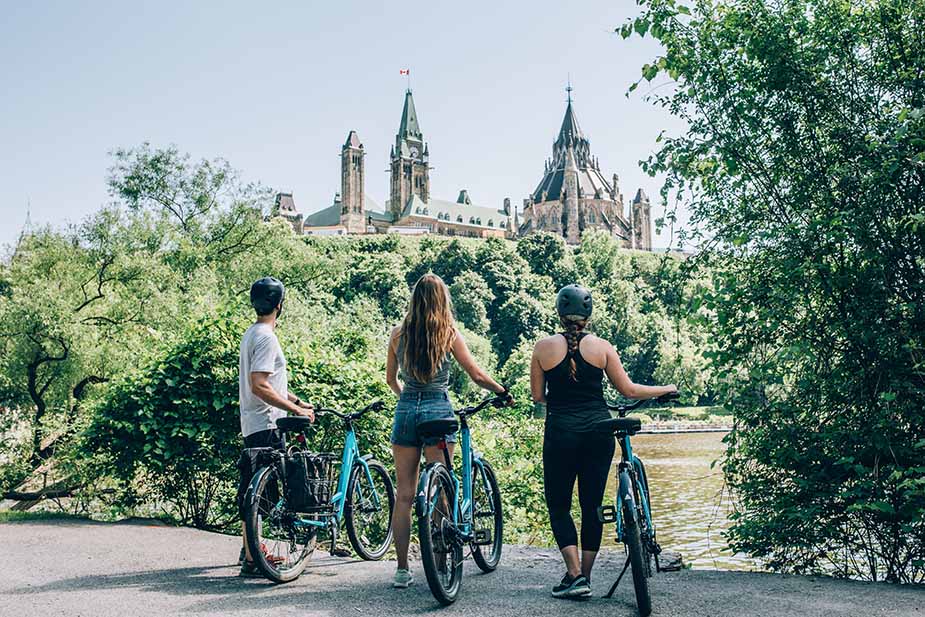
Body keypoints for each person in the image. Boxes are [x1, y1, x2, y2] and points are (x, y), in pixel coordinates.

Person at [530, 284, 677, 599]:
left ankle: (573, 575)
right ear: (588, 315)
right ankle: (586, 575)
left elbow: (537, 396)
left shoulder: (542, 348)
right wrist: (664, 388)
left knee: (559, 506)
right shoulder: (602, 347)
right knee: (592, 506)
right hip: (599, 433)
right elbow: (629, 390)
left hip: (560, 434)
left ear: (559, 312)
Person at [385, 273, 511, 589]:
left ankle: (402, 571)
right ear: (443, 301)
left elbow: (391, 380)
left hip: (406, 410)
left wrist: (408, 401)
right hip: (438, 410)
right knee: (441, 490)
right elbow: (476, 374)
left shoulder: (397, 335)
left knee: (405, 495)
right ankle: (440, 564)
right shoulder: (448, 334)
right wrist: (501, 390)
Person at [237, 276, 315, 577]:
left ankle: (251, 551)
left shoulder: (251, 333)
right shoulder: (267, 337)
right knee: (262, 493)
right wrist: (295, 410)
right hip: (268, 422)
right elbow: (260, 385)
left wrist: (297, 399)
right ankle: (256, 556)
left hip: (253, 421)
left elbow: (268, 381)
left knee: (252, 489)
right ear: (280, 306)